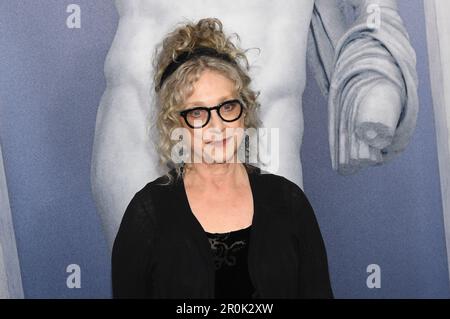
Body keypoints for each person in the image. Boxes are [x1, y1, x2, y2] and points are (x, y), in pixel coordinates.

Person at [111, 17, 333, 299]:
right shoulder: (148, 213)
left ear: (245, 109)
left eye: (227, 107)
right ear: (174, 124)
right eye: (198, 113)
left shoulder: (287, 202)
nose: (217, 126)